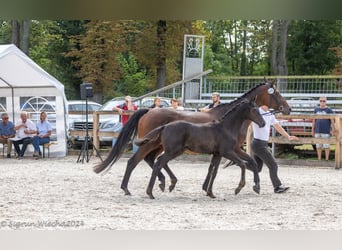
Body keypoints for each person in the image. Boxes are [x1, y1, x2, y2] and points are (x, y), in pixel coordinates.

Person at [251, 105, 299, 193]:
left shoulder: (270, 114)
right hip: (258, 144)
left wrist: (288, 136)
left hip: (263, 144)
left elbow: (277, 126)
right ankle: (277, 187)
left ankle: (239, 161)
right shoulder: (256, 112)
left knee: (257, 168)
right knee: (273, 165)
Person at [312, 96, 335, 161]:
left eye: (324, 101)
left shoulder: (329, 110)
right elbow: (314, 121)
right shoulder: (316, 110)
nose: (322, 102)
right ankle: (319, 159)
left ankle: (326, 159)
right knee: (318, 146)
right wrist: (312, 130)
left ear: (326, 102)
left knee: (326, 146)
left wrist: (333, 130)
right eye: (321, 101)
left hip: (326, 131)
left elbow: (332, 121)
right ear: (319, 102)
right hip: (317, 131)